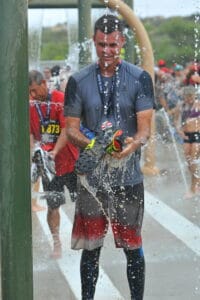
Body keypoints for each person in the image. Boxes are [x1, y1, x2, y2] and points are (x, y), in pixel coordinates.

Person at [64, 14, 155, 300]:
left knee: (133, 247)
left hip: (128, 179)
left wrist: (130, 145)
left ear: (122, 43)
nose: (107, 50)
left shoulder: (140, 78)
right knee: (91, 248)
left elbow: (144, 132)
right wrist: (94, 145)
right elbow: (70, 129)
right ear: (94, 42)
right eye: (102, 44)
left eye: (113, 45)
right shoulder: (78, 81)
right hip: (91, 180)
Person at [29, 70, 79, 258]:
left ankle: (85, 236)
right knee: (53, 206)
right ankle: (57, 243)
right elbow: (31, 135)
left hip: (71, 161)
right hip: (49, 168)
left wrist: (55, 152)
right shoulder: (31, 105)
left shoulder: (60, 99)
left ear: (44, 83)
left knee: (82, 203)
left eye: (35, 90)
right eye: (30, 92)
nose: (33, 95)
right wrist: (34, 153)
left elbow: (67, 129)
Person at [175, 85, 200, 198]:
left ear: (194, 96)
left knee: (194, 160)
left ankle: (193, 188)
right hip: (186, 135)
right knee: (188, 160)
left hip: (197, 134)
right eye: (187, 97)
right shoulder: (181, 106)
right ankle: (196, 180)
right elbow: (176, 121)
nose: (189, 99)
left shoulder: (198, 104)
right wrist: (179, 131)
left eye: (191, 97)